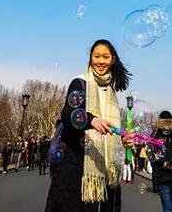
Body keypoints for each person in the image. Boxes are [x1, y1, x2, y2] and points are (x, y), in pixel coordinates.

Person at [45, 39, 132, 212]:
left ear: (112, 60)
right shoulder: (80, 82)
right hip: (76, 165)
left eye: (105, 57)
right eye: (96, 56)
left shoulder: (111, 93)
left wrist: (122, 138)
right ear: (90, 58)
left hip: (106, 170)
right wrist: (91, 119)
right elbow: (68, 113)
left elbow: (110, 130)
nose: (100, 61)